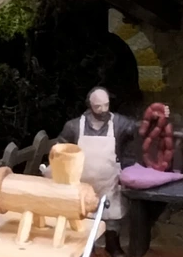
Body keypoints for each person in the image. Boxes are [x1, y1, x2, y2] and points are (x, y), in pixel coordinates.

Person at [58, 87, 136, 221]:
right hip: (81, 190)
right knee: (83, 228)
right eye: (98, 106)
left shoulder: (118, 123)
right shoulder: (74, 127)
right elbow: (60, 151)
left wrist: (155, 116)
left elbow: (140, 129)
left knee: (112, 228)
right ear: (90, 106)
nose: (103, 110)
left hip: (109, 189)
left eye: (106, 105)